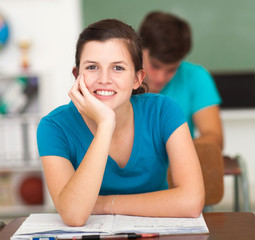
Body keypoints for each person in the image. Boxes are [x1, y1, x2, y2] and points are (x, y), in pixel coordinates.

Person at [36, 19, 205, 227]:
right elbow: (73, 215)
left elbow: (191, 201)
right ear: (77, 75)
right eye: (92, 67)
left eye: (117, 67)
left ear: (137, 78)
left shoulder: (164, 111)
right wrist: (106, 124)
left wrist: (106, 204)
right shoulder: (53, 127)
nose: (104, 79)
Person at [139, 11, 223, 150]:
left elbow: (214, 139)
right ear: (139, 48)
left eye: (171, 70)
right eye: (155, 66)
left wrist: (177, 154)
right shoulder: (116, 76)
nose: (161, 78)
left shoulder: (196, 76)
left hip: (177, 167)